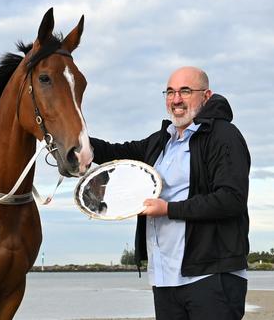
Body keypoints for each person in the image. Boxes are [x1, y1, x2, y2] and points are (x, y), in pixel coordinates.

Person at [90, 66, 250, 319]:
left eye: (185, 91)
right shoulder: (161, 140)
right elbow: (115, 153)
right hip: (165, 277)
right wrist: (71, 141)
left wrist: (169, 209)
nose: (176, 100)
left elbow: (232, 199)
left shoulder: (223, 136)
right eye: (170, 92)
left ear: (206, 96)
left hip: (211, 274)